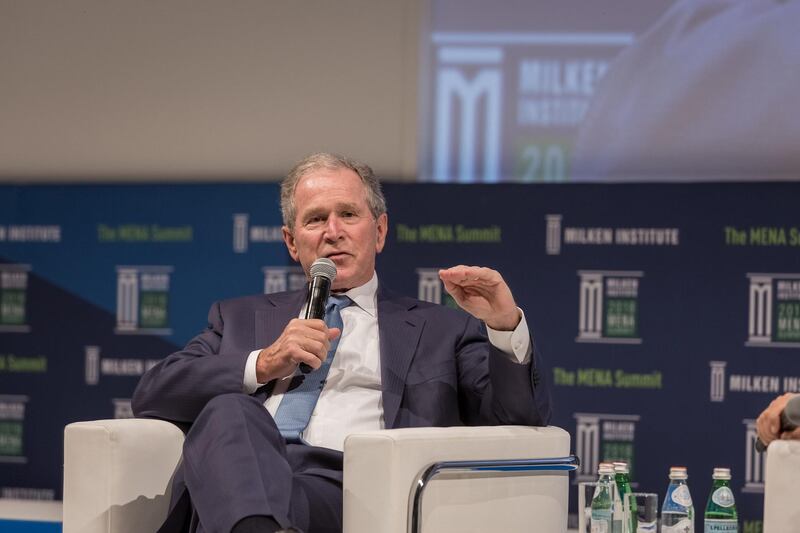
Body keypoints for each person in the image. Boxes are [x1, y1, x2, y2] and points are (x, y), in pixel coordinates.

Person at [132, 152, 551, 533]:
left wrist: (503, 324)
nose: (333, 232)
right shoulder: (238, 317)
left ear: (380, 231)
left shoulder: (441, 329)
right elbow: (153, 393)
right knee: (229, 410)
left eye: (349, 214)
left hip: (344, 491)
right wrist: (263, 363)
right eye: (315, 219)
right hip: (238, 481)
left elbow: (516, 417)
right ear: (292, 242)